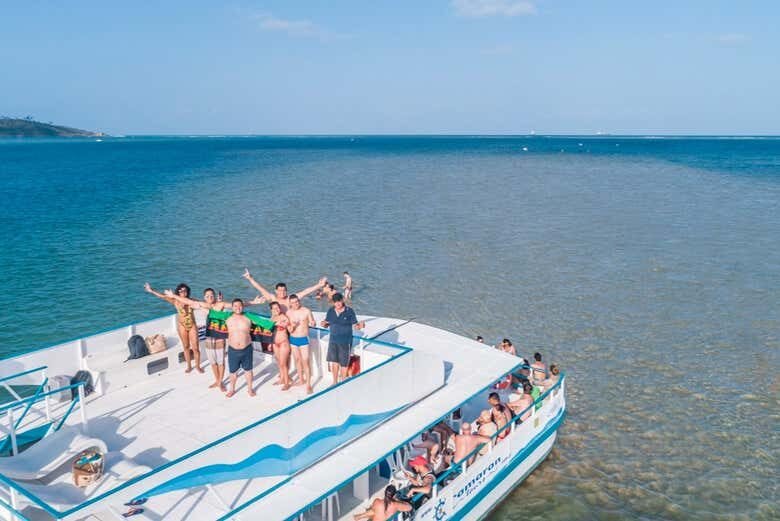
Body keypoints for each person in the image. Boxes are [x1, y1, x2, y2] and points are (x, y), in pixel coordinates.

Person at [164, 287, 264, 391]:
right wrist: (173, 296)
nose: (210, 297)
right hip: (209, 336)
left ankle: (220, 382)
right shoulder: (203, 304)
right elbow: (188, 301)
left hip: (220, 336)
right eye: (207, 296)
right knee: (213, 362)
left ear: (215, 295)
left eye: (211, 295)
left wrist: (253, 302)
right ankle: (217, 380)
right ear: (204, 297)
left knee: (220, 361)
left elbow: (237, 305)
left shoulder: (220, 304)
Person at [144, 282, 203, 374]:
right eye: (181, 291)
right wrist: (151, 290)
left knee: (195, 348)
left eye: (185, 290)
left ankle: (198, 366)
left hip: (192, 326)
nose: (183, 292)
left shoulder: (191, 300)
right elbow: (162, 296)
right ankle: (189, 366)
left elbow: (202, 304)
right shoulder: (175, 301)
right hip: (182, 326)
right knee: (186, 346)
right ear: (178, 292)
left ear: (188, 292)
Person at [320, 293, 365, 385]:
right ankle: (335, 382)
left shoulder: (349, 311)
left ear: (342, 300)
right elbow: (327, 323)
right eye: (335, 302)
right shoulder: (331, 311)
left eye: (339, 301)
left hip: (345, 342)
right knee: (334, 362)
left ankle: (343, 382)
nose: (338, 303)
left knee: (344, 363)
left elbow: (355, 326)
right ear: (333, 302)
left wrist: (360, 326)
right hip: (333, 341)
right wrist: (323, 324)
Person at [242, 269, 325, 313]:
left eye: (284, 290)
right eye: (280, 290)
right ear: (276, 291)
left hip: (290, 323)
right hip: (278, 323)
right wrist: (250, 278)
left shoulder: (291, 298)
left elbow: (305, 291)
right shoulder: (272, 298)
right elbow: (260, 288)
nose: (282, 292)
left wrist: (319, 285)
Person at [224, 299, 255, 398]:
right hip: (233, 350)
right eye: (235, 306)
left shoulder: (249, 317)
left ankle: (250, 389)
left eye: (240, 306)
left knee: (248, 370)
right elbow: (212, 312)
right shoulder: (226, 317)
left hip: (246, 349)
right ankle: (232, 389)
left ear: (243, 306)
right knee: (233, 372)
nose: (238, 308)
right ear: (232, 307)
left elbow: (265, 324)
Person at [286, 294, 316, 394]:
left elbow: (312, 322)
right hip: (293, 339)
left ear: (299, 301)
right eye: (293, 302)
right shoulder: (288, 313)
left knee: (305, 361)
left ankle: (308, 384)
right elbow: (289, 329)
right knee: (297, 360)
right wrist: (293, 326)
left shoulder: (306, 311)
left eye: (297, 301)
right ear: (290, 303)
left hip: (303, 339)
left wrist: (312, 323)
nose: (296, 304)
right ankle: (301, 380)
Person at [269, 301, 292, 390]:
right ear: (271, 310)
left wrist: (280, 324)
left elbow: (287, 325)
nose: (276, 310)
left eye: (277, 308)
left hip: (283, 343)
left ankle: (286, 383)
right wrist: (270, 343)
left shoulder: (284, 317)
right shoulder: (271, 318)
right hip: (275, 344)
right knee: (279, 363)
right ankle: (282, 379)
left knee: (283, 363)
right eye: (274, 308)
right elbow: (271, 333)